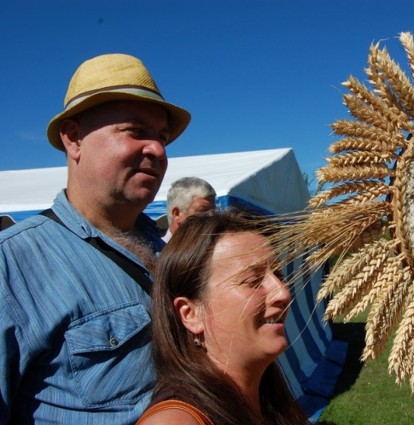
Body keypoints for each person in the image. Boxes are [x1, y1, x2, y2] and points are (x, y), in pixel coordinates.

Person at [0, 53, 190, 423]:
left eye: (162, 137)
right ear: (73, 140)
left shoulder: (161, 248)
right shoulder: (11, 266)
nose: (158, 150)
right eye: (136, 131)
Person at [137, 212, 309, 425]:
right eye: (253, 280)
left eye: (279, 275)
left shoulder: (270, 399)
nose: (283, 292)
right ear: (190, 314)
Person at [163, 176, 216, 242]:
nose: (212, 216)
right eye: (203, 211)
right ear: (177, 214)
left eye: (213, 211)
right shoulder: (156, 250)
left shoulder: (214, 249)